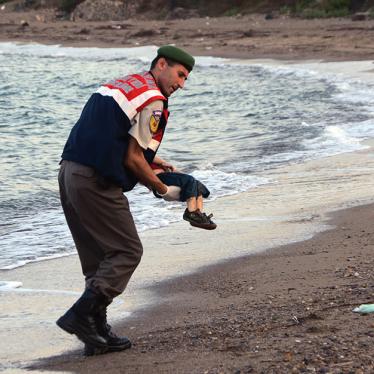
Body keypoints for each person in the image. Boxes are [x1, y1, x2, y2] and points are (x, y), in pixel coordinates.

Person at [56, 45, 195, 356]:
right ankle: (81, 315)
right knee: (127, 251)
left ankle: (95, 333)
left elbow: (112, 137)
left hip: (69, 173)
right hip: (95, 182)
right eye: (180, 74)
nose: (182, 84)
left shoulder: (124, 83)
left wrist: (154, 163)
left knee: (97, 259)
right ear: (161, 64)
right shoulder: (154, 100)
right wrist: (162, 189)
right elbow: (133, 160)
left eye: (186, 79)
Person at [150, 155, 217, 230]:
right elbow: (148, 155)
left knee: (197, 185)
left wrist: (174, 170)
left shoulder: (150, 155)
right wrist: (163, 162)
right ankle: (191, 213)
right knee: (190, 180)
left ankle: (198, 216)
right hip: (159, 178)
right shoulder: (142, 154)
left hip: (167, 176)